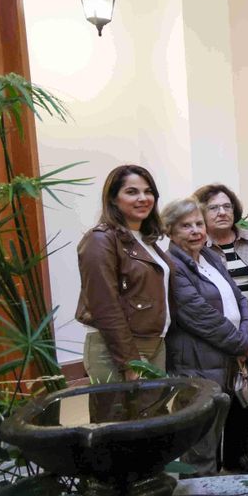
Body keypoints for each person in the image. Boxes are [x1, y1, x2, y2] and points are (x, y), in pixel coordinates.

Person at [163, 198, 248, 477]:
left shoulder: (210, 257)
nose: (195, 231)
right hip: (197, 361)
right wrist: (242, 343)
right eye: (185, 226)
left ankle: (212, 491)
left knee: (217, 429)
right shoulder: (173, 267)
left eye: (198, 224)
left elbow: (239, 298)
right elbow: (199, 315)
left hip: (227, 356)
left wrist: (247, 335)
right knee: (200, 441)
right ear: (170, 231)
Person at [76, 165, 171, 386]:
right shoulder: (100, 240)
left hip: (154, 344)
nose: (143, 198)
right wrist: (130, 362)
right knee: (120, 419)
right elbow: (105, 306)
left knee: (155, 417)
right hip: (117, 351)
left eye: (148, 192)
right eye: (132, 192)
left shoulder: (144, 240)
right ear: (113, 198)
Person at [195, 183, 248, 474]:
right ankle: (209, 461)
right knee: (214, 398)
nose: (222, 212)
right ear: (201, 213)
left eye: (227, 206)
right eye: (213, 208)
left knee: (242, 396)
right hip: (214, 337)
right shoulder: (197, 247)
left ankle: (238, 455)